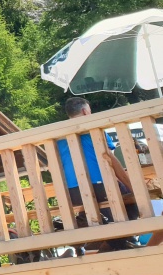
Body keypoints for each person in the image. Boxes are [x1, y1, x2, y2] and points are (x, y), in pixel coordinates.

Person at [56, 97, 141, 252]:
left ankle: (85, 222)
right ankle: (116, 244)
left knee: (102, 210)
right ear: (85, 111)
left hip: (72, 194)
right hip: (99, 187)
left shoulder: (58, 137)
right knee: (131, 203)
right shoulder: (95, 128)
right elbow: (111, 161)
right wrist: (132, 186)